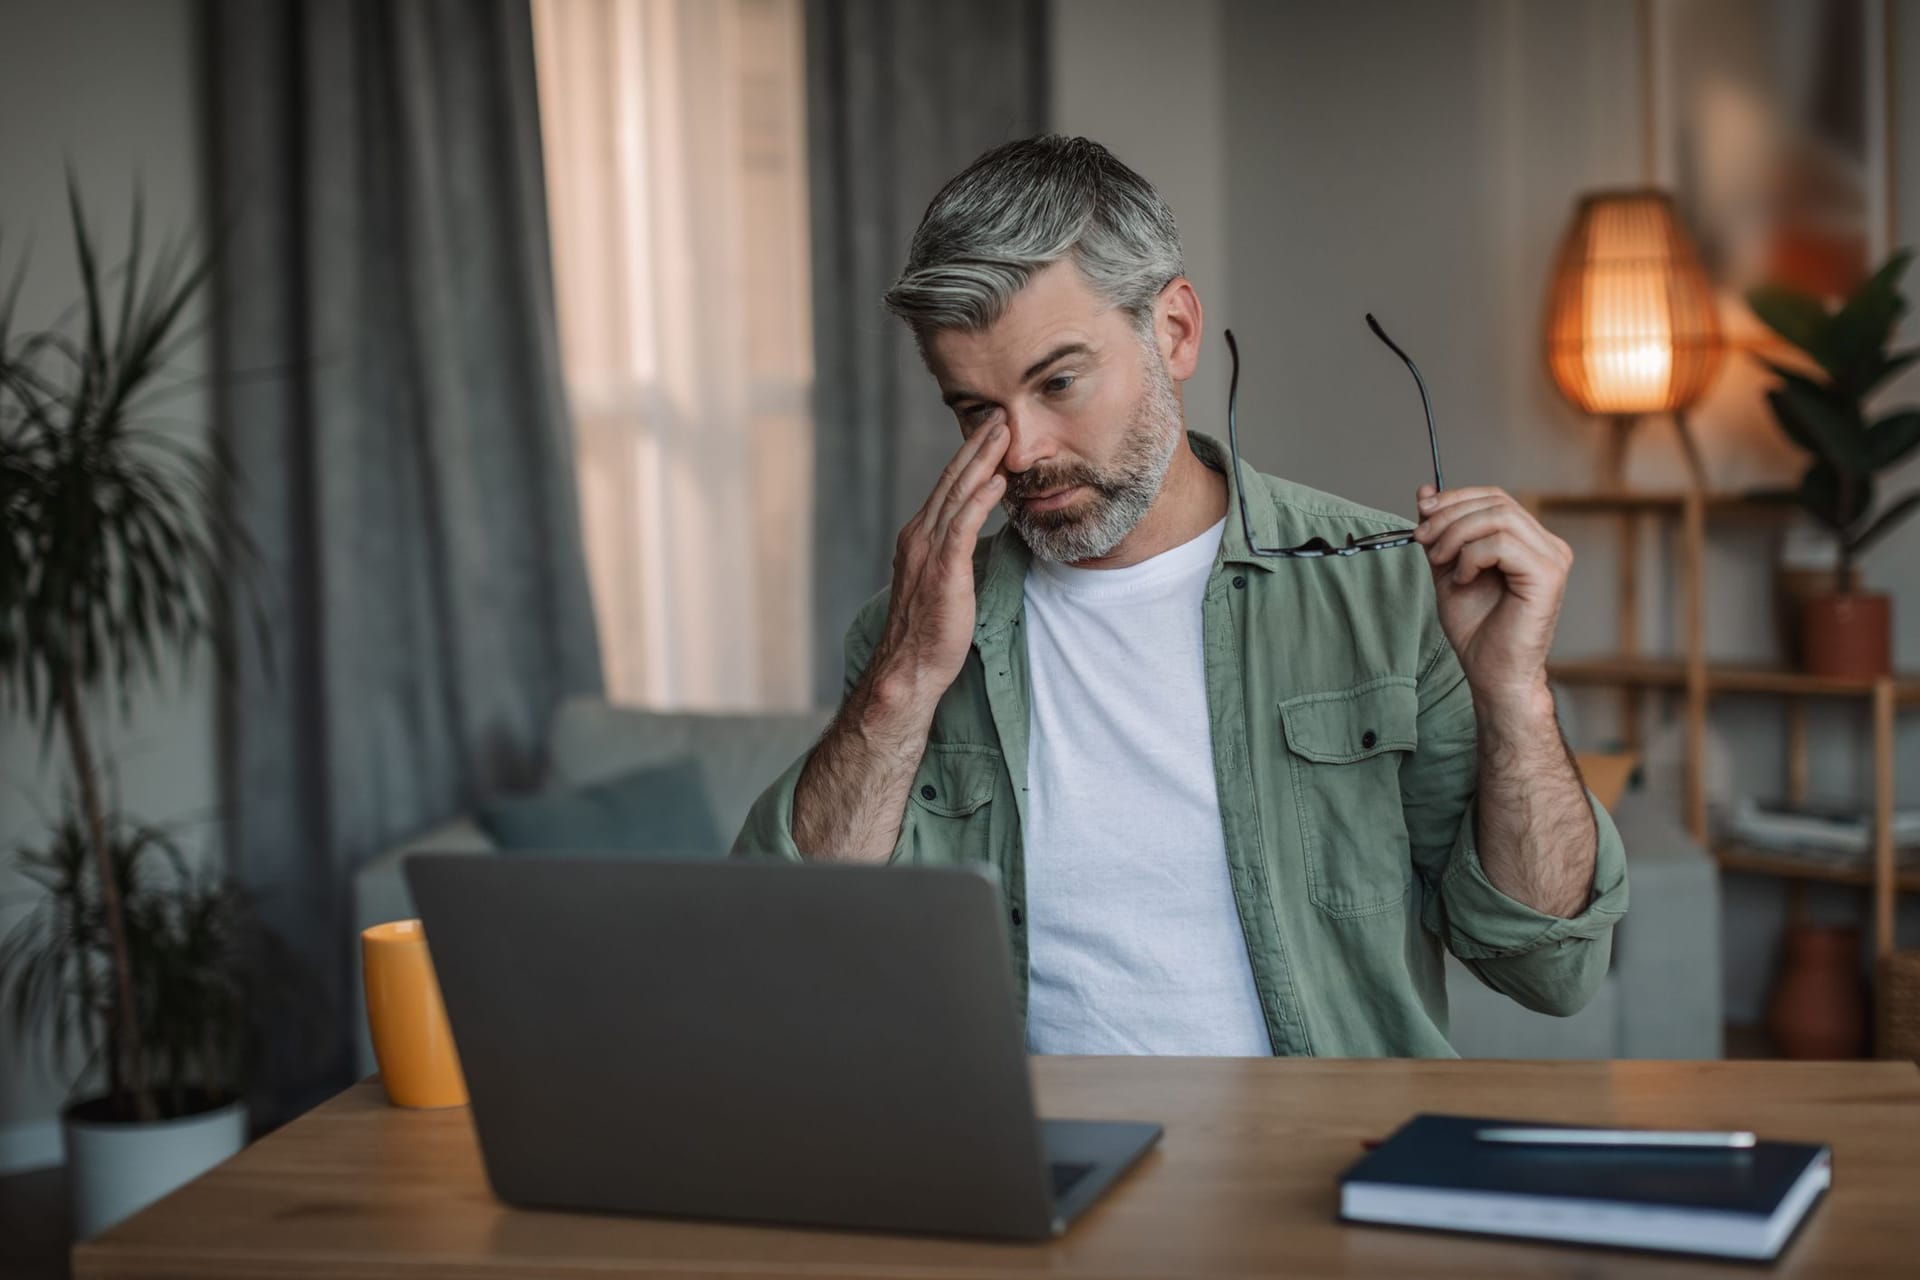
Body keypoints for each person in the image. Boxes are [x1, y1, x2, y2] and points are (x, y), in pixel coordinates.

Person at [734, 135, 1626, 1057]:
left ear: (1176, 330)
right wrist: (904, 681)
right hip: (1037, 1171)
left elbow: (1550, 970)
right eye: (975, 411)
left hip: (1322, 1163)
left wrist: (1515, 694)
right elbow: (794, 966)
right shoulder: (908, 634)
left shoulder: (1392, 594)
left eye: (1059, 382)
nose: (1022, 451)